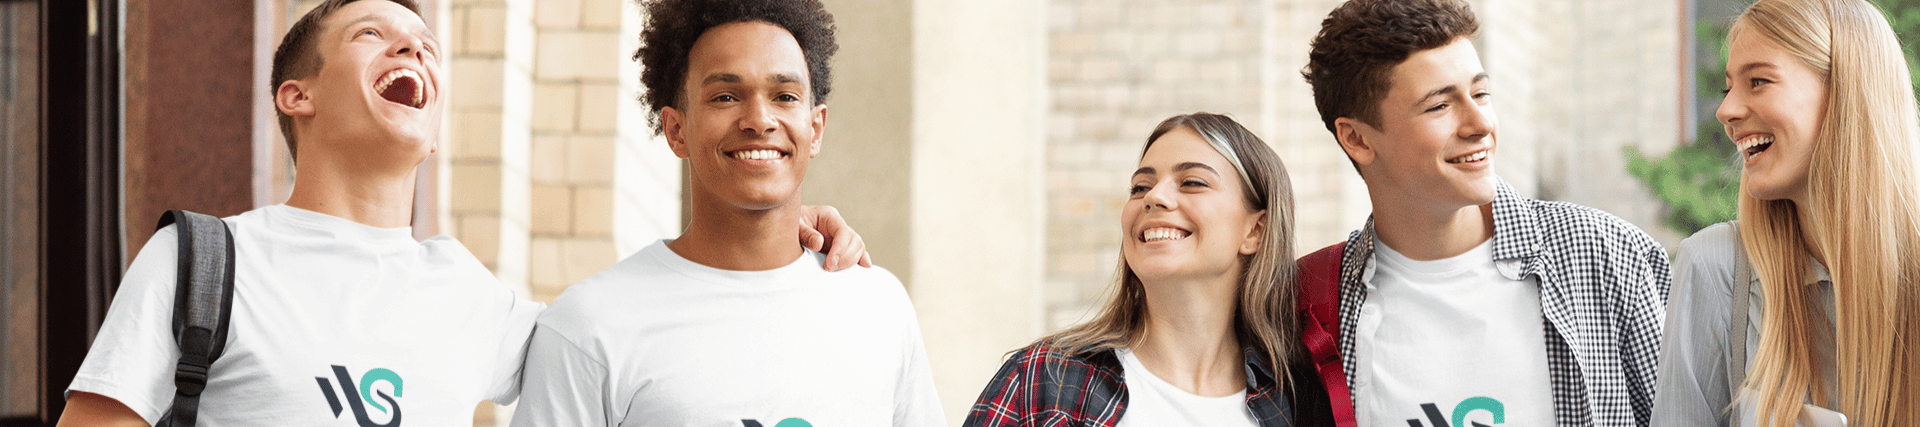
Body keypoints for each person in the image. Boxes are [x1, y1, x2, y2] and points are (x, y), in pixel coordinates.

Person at [56, 0, 867, 425]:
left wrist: (778, 230)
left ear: (435, 131)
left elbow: (646, 328)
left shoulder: (475, 300)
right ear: (295, 95)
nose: (411, 49)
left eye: (426, 46)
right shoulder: (202, 262)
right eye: (374, 35)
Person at [506, 0, 942, 425]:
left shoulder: (879, 309)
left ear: (815, 128)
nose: (759, 119)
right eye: (726, 96)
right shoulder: (590, 325)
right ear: (677, 130)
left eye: (785, 96)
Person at [1296, 0, 1671, 425]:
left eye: (1480, 94)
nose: (1480, 123)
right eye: (1439, 106)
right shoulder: (1305, 303)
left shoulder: (1605, 256)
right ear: (1358, 139)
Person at [964, 113, 1334, 427]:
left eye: (1192, 182)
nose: (1155, 197)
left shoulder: (1300, 403)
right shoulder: (1045, 381)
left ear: (1255, 230)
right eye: (1140, 186)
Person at [1652, 0, 1920, 425]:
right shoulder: (1716, 268)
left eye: (1758, 81)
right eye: (1728, 88)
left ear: (1846, 91)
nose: (1725, 111)